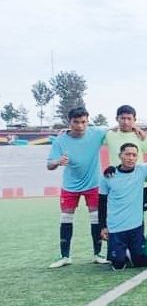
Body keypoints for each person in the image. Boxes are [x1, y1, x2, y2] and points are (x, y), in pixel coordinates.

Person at [46, 107, 109, 268]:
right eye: (76, 122)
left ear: (88, 122)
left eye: (83, 122)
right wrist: (58, 161)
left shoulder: (97, 133)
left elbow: (119, 129)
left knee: (96, 217)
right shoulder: (60, 140)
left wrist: (138, 130)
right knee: (66, 217)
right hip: (70, 186)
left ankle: (97, 254)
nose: (80, 126)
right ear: (70, 122)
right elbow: (49, 165)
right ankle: (65, 256)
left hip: (93, 184)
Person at [98, 143, 147, 270]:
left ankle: (132, 252)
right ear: (120, 156)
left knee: (140, 262)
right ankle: (121, 253)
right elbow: (101, 203)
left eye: (134, 155)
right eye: (127, 154)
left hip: (136, 226)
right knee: (118, 265)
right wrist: (102, 227)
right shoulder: (108, 176)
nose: (131, 158)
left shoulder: (141, 170)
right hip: (115, 227)